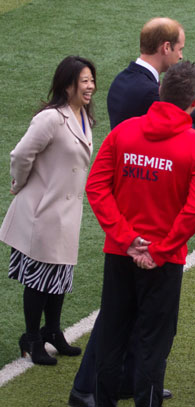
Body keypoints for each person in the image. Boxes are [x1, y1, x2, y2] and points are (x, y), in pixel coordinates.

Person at [69, 16, 195, 407]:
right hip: (163, 262)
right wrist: (159, 250)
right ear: (193, 101)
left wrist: (125, 237)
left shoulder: (122, 133)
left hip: (119, 253)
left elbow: (97, 187)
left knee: (113, 337)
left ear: (160, 91)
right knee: (153, 346)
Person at [0, 56, 96, 365]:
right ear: (67, 85)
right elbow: (21, 154)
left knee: (60, 275)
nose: (90, 86)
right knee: (39, 279)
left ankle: (52, 331)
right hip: (42, 212)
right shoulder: (51, 118)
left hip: (65, 213)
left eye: (92, 80)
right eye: (84, 81)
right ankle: (31, 338)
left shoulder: (83, 118)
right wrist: (21, 184)